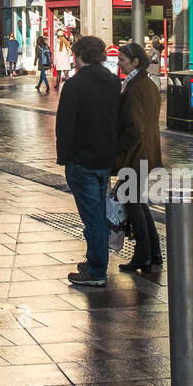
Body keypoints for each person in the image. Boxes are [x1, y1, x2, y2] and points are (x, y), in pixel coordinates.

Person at [55, 35, 121, 288]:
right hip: (104, 158)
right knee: (98, 213)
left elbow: (66, 126)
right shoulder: (113, 82)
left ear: (80, 55)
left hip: (82, 160)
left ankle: (96, 270)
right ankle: (95, 260)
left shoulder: (75, 85)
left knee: (92, 217)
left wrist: (65, 157)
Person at [114, 41, 164, 273]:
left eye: (123, 60)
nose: (119, 63)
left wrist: (118, 151)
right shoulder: (148, 84)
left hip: (135, 156)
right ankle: (153, 254)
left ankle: (143, 255)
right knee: (138, 203)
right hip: (147, 152)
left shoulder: (135, 87)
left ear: (135, 61)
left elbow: (134, 127)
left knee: (133, 204)